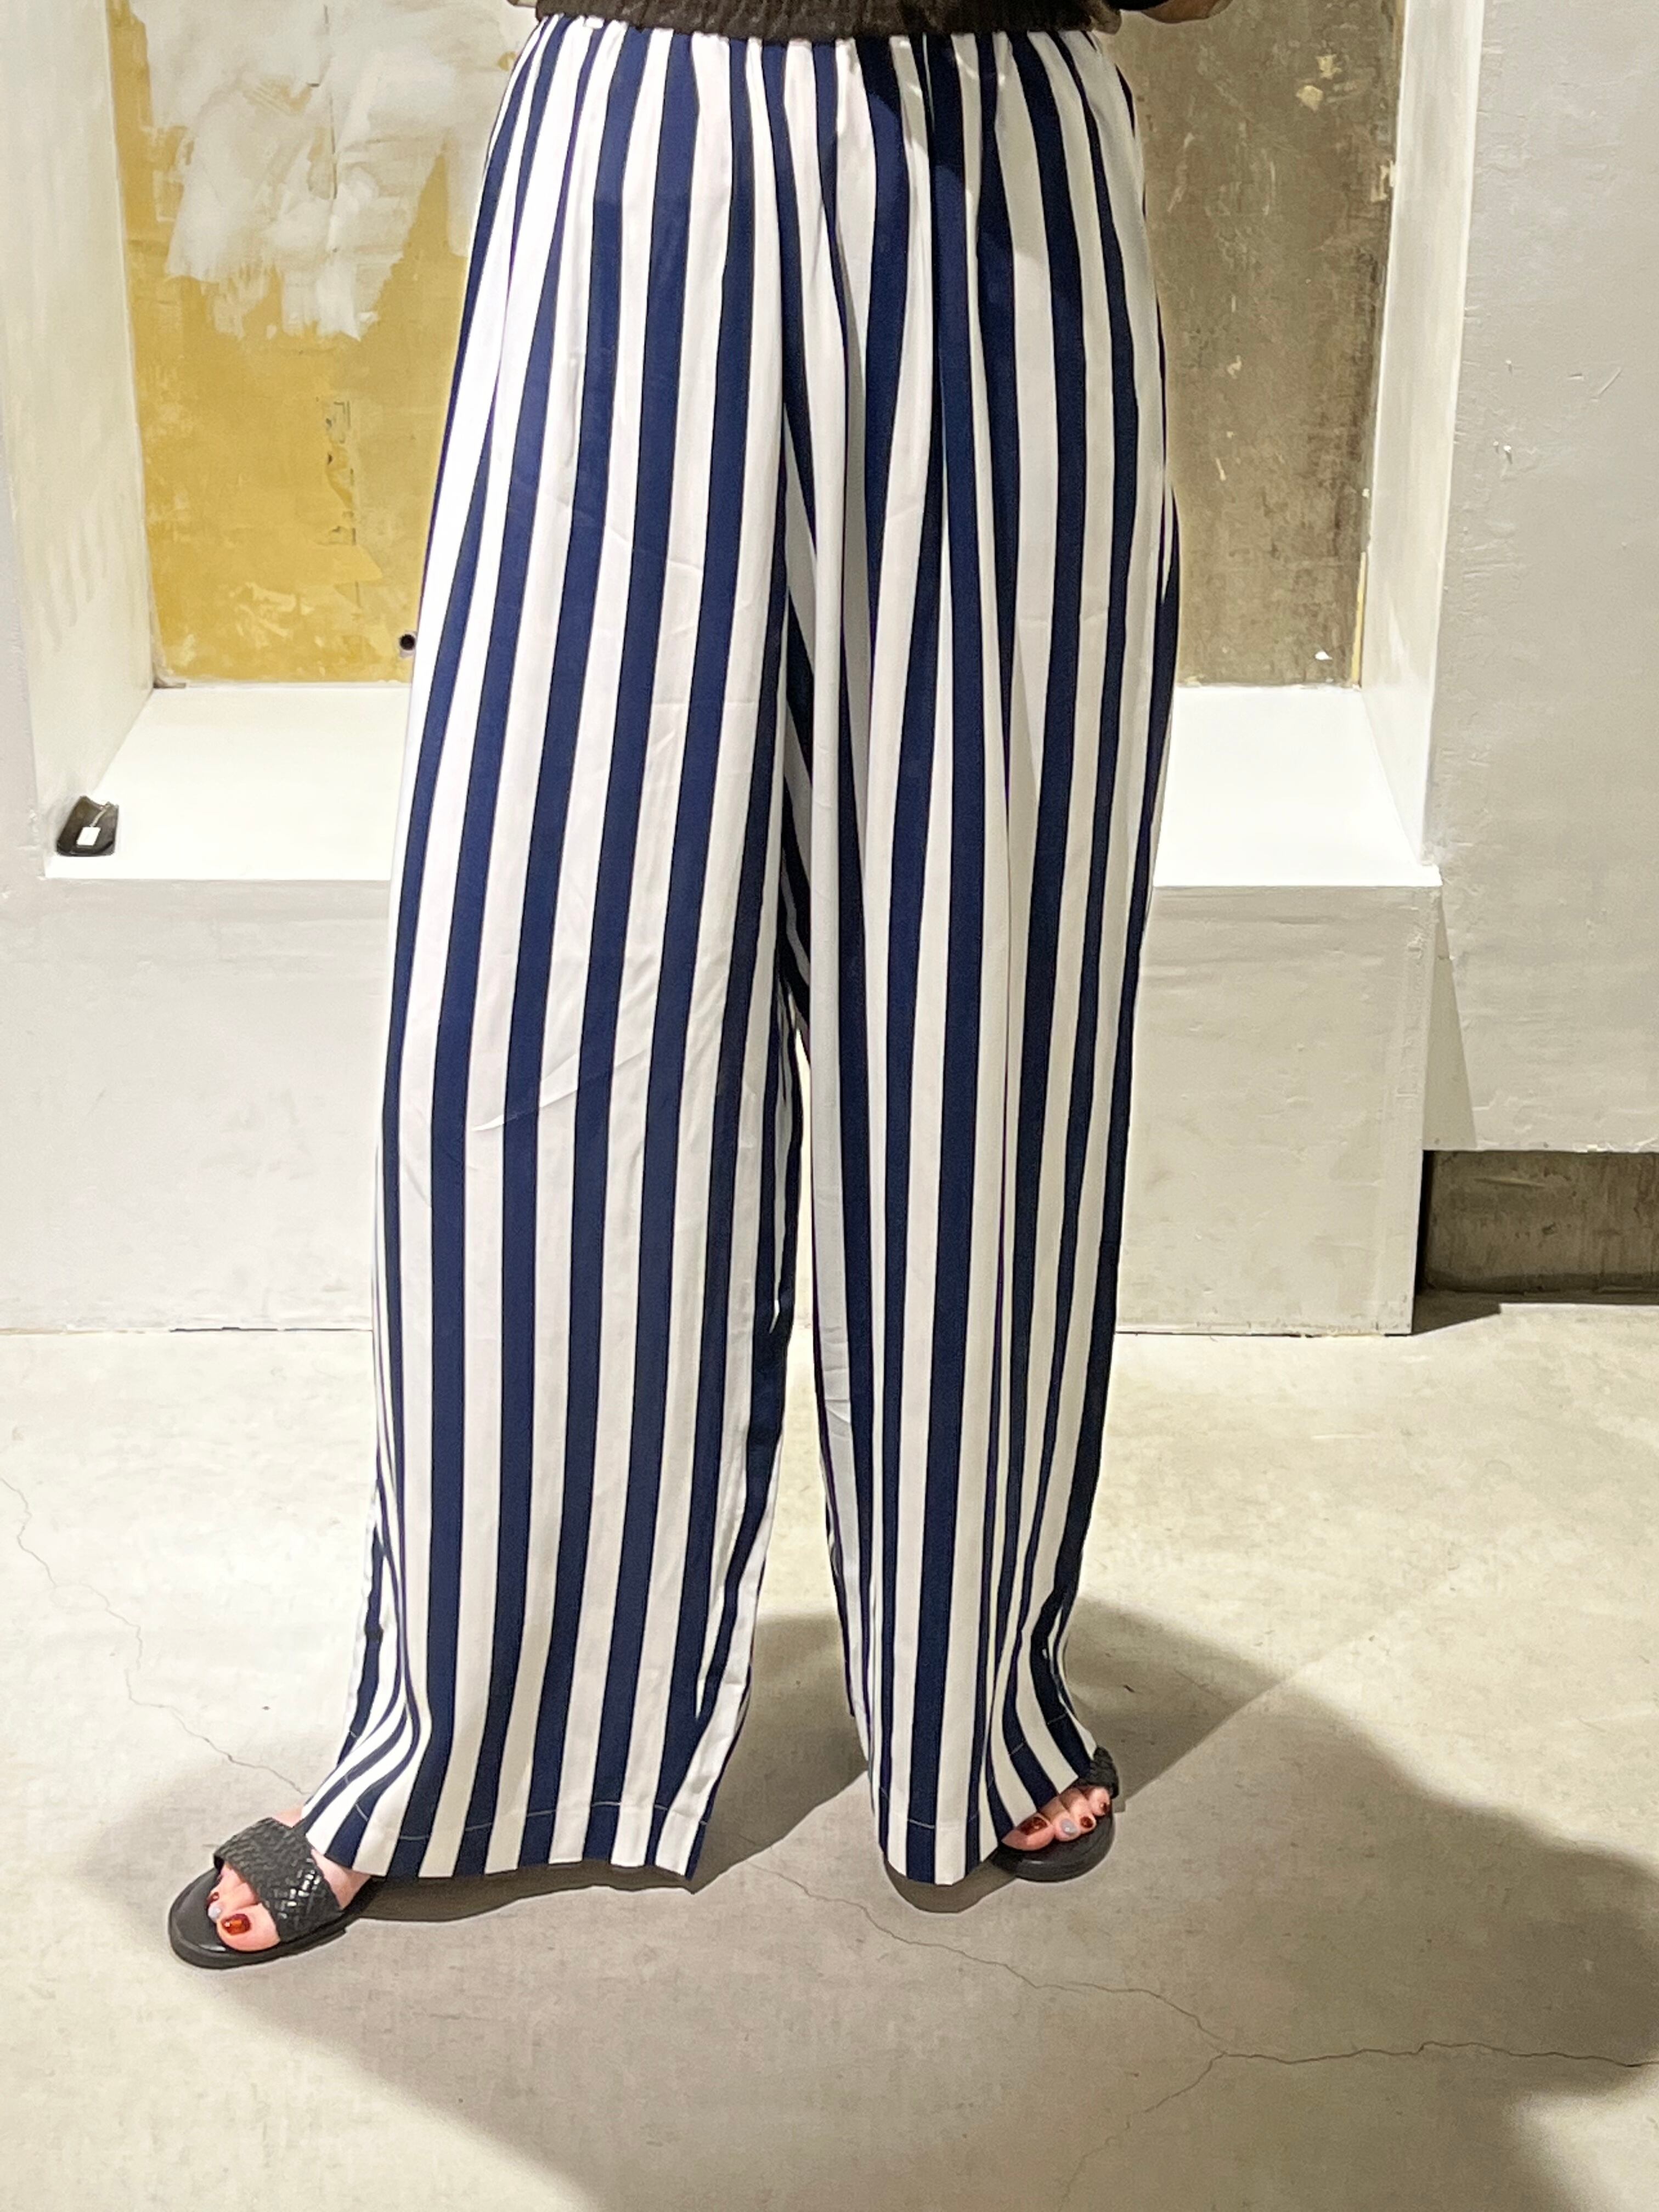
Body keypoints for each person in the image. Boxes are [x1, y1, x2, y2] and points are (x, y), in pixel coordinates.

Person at [167, 0, 1230, 1969]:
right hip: (636, 133)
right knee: (531, 983)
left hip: (1002, 172)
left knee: (984, 1012)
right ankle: (470, 1725)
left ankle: (973, 1690)